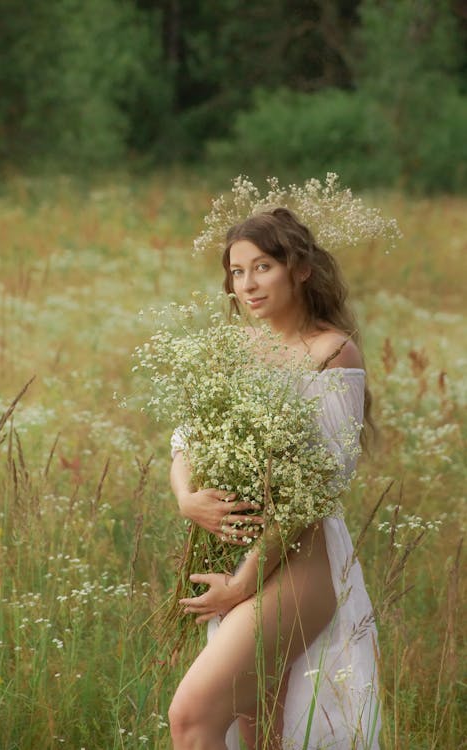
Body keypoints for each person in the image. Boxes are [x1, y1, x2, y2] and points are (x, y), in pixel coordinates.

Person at [168, 207, 380, 749]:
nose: (247, 284)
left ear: (300, 268)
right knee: (265, 733)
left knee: (192, 717)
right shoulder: (237, 350)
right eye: (237, 272)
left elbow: (319, 489)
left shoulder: (331, 353)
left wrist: (243, 585)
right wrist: (188, 499)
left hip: (299, 560)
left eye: (262, 267)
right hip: (234, 555)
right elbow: (185, 441)